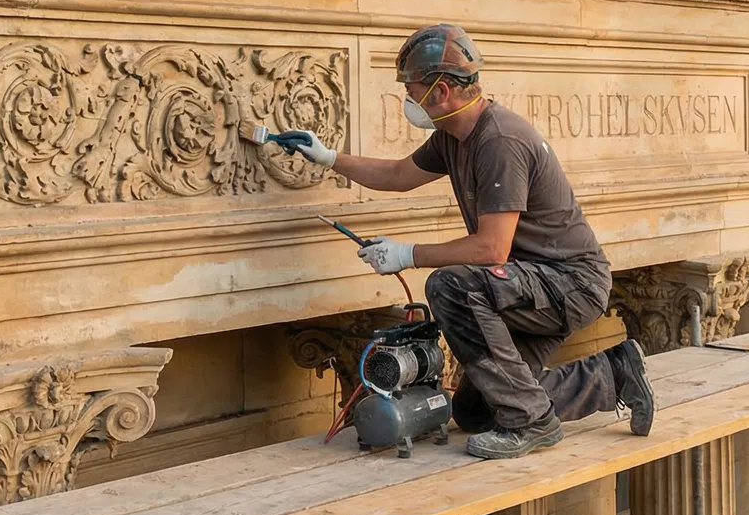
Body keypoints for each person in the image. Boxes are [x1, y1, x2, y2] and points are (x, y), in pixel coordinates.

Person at [274, 24, 654, 460]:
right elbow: (398, 176)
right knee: (476, 410)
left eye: (412, 88)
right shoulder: (455, 136)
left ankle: (532, 422)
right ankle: (614, 372)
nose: (408, 99)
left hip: (568, 283)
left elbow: (491, 249)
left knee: (450, 284)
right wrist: (329, 157)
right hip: (524, 284)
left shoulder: (499, 141)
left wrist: (406, 254)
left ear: (441, 91)